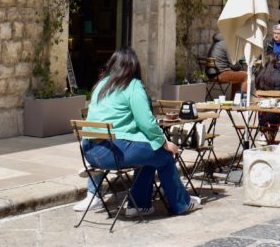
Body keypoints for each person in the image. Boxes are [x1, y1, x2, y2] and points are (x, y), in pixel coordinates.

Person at [74, 47, 201, 216]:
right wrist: (164, 142)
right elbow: (146, 122)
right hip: (113, 151)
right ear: (134, 67)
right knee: (163, 155)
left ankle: (140, 205)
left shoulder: (101, 85)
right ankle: (180, 203)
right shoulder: (132, 85)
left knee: (149, 153)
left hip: (90, 151)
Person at [254, 51, 280, 143]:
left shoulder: (258, 74)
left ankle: (264, 134)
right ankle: (270, 135)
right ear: (276, 62)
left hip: (262, 114)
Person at [207, 31, 247, 97]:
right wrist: (240, 67)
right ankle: (243, 99)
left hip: (211, 75)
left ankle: (235, 99)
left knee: (238, 76)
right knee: (246, 76)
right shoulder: (227, 45)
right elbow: (233, 64)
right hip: (220, 74)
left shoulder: (215, 44)